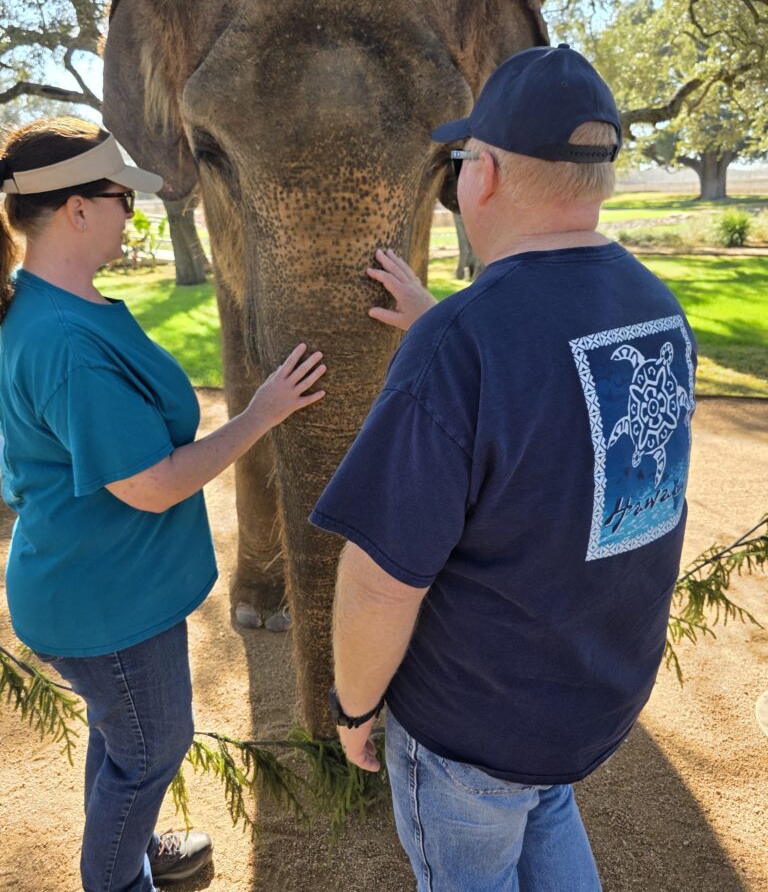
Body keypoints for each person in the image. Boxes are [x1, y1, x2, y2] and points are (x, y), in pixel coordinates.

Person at [312, 45, 697, 891]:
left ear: (481, 174)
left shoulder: (464, 345)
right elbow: (567, 422)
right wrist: (444, 324)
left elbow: (379, 584)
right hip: (585, 707)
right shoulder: (658, 310)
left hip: (473, 732)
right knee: (544, 803)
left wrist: (352, 706)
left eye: (463, 160)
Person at [0, 118, 326, 892]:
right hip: (103, 601)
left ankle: (133, 849)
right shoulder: (65, 340)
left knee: (126, 740)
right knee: (150, 750)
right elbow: (152, 484)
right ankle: (119, 880)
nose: (132, 212)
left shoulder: (58, 308)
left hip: (99, 583)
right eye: (123, 198)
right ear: (78, 209)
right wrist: (261, 413)